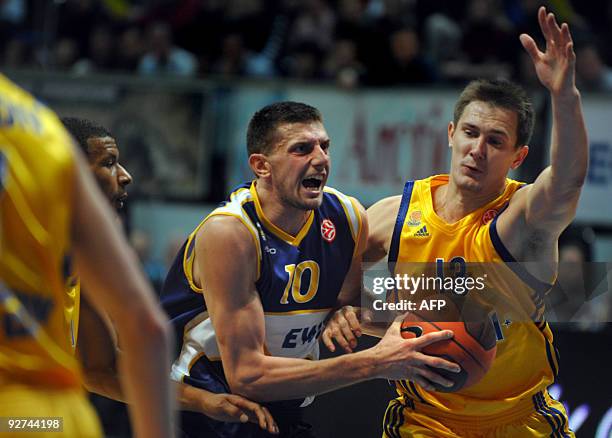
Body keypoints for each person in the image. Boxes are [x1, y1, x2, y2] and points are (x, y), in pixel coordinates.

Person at [324, 6, 586, 437]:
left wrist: (564, 96)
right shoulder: (391, 219)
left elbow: (567, 180)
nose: (477, 150)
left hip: (519, 420)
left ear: (518, 158)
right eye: (470, 133)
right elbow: (346, 303)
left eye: (495, 141)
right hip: (425, 420)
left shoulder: (520, 223)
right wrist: (340, 313)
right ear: (451, 133)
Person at [160, 101, 462, 437]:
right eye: (302, 149)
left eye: (325, 146)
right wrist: (374, 363)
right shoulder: (230, 233)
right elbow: (247, 377)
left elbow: (345, 308)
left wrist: (345, 314)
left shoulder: (348, 217)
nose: (320, 159)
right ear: (262, 166)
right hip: (210, 413)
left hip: (285, 409)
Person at [61, 117, 279, 433]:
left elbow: (102, 370)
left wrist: (203, 401)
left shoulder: (80, 262)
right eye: (109, 163)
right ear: (67, 172)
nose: (126, 176)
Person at [0, 75, 175, 437]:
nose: (126, 177)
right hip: (60, 420)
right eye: (110, 163)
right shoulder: (41, 129)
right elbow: (145, 330)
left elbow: (109, 361)